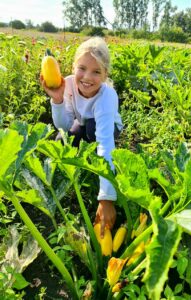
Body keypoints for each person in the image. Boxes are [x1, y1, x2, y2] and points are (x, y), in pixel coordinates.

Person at [40, 37, 123, 238]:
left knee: (94, 131)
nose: (87, 77)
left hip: (106, 127)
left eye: (96, 72)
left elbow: (104, 143)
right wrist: (57, 99)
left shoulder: (107, 96)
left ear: (105, 75)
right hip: (83, 123)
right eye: (82, 68)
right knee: (62, 141)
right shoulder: (67, 84)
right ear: (73, 67)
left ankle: (102, 175)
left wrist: (106, 199)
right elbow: (64, 125)